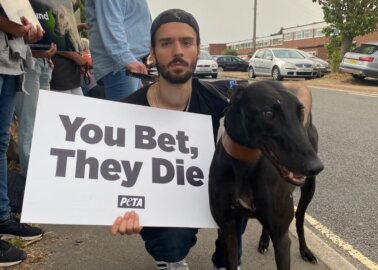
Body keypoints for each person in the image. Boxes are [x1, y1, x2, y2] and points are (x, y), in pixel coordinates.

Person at [111, 9, 247, 270]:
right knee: (171, 246)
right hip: (159, 194)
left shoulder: (216, 98)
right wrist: (118, 210)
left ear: (197, 49)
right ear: (152, 52)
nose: (177, 51)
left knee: (242, 181)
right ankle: (169, 258)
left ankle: (227, 258)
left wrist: (302, 109)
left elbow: (281, 94)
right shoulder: (126, 111)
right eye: (166, 43)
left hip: (208, 187)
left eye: (186, 42)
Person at [0, 12, 45, 266]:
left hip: (10, 58)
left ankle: (2, 217)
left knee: (1, 142)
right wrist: (14, 26)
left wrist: (30, 28)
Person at [86, 0, 151, 101]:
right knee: (125, 115)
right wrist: (126, 60)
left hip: (127, 65)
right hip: (122, 66)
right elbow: (111, 22)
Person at [15, 43, 57, 178]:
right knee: (29, 126)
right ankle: (30, 179)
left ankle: (40, 176)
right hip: (28, 61)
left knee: (43, 126)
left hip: (44, 61)